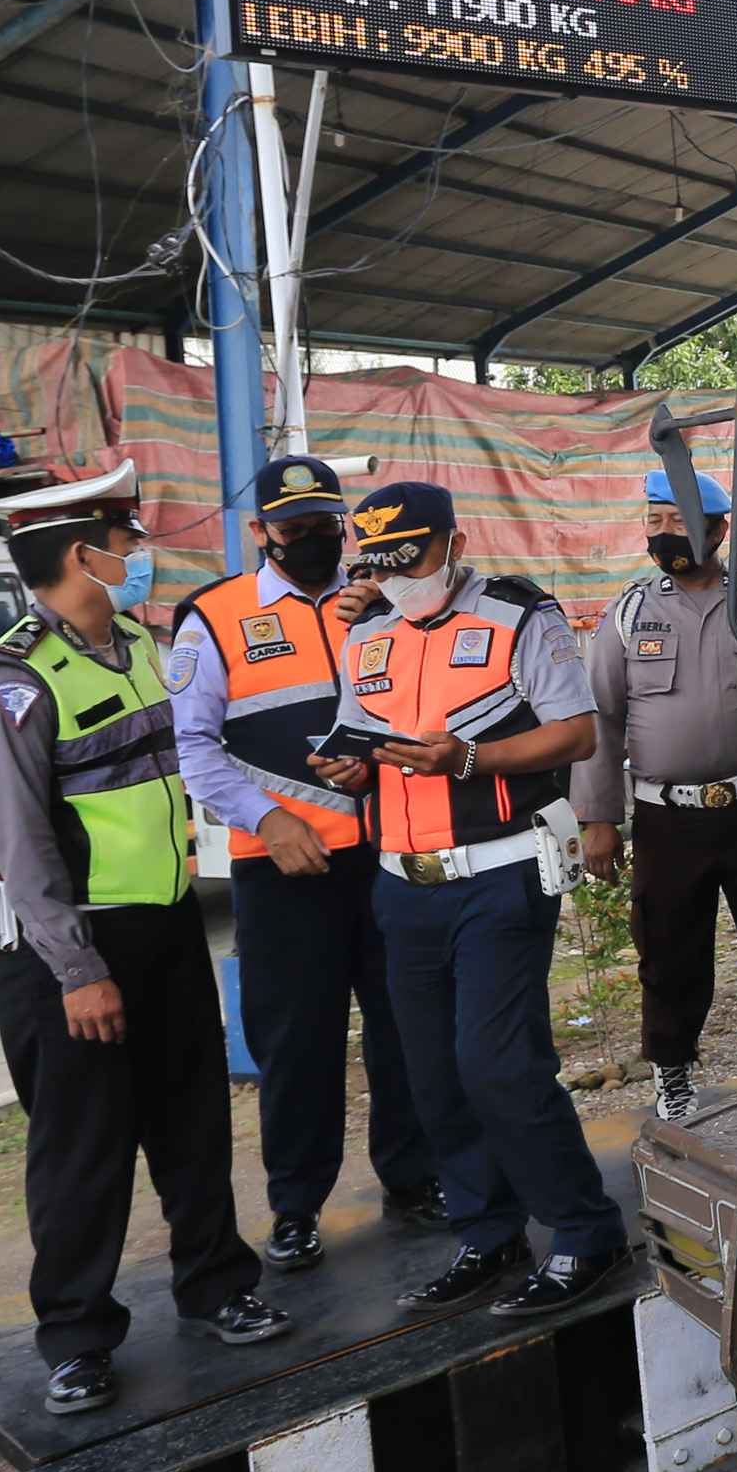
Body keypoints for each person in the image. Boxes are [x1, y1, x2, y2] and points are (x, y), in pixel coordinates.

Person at [0, 461, 287, 1417]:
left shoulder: (141, 642)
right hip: (74, 955)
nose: (140, 554)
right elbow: (22, 844)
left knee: (191, 1119)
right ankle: (75, 1338)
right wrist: (78, 970)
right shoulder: (12, 682)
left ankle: (219, 1286)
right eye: (125, 541)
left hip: (166, 926)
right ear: (79, 554)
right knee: (82, 1149)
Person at [308, 481, 623, 1318]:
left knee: (501, 1064)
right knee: (433, 1073)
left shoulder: (521, 616)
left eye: (412, 558)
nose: (400, 577)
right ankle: (486, 1233)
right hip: (401, 883)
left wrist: (466, 760)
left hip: (499, 872)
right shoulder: (367, 634)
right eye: (382, 563)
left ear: (454, 540)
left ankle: (585, 1231)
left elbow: (578, 731)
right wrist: (347, 767)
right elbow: (357, 735)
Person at [171, 453, 441, 1270]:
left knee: (405, 1026)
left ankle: (414, 1175)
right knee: (298, 1043)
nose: (319, 539)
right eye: (297, 528)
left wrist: (385, 615)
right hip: (284, 869)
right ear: (260, 531)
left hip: (390, 854)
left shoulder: (381, 602)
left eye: (330, 523)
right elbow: (194, 747)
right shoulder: (214, 618)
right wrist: (270, 819)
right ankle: (295, 1207)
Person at [577, 465, 737, 1127]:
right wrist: (598, 818)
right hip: (665, 819)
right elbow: (600, 719)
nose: (663, 534)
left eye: (678, 522)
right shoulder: (626, 616)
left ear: (720, 528)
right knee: (670, 951)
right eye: (654, 522)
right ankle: (674, 1076)